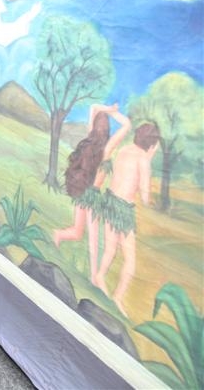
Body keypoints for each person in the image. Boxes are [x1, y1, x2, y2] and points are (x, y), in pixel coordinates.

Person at [53, 104, 130, 282]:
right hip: (92, 196)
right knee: (93, 239)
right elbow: (127, 125)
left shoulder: (89, 138)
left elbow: (93, 107)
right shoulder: (108, 147)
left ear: (94, 126)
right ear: (107, 129)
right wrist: (114, 112)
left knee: (78, 232)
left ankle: (58, 235)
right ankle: (94, 275)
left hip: (82, 192)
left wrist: (107, 109)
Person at [93, 122, 160, 318]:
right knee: (130, 260)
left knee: (110, 249)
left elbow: (123, 176)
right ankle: (118, 297)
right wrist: (152, 199)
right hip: (123, 209)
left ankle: (99, 277)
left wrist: (147, 158)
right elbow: (145, 198)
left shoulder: (124, 150)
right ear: (152, 143)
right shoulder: (143, 160)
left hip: (110, 201)